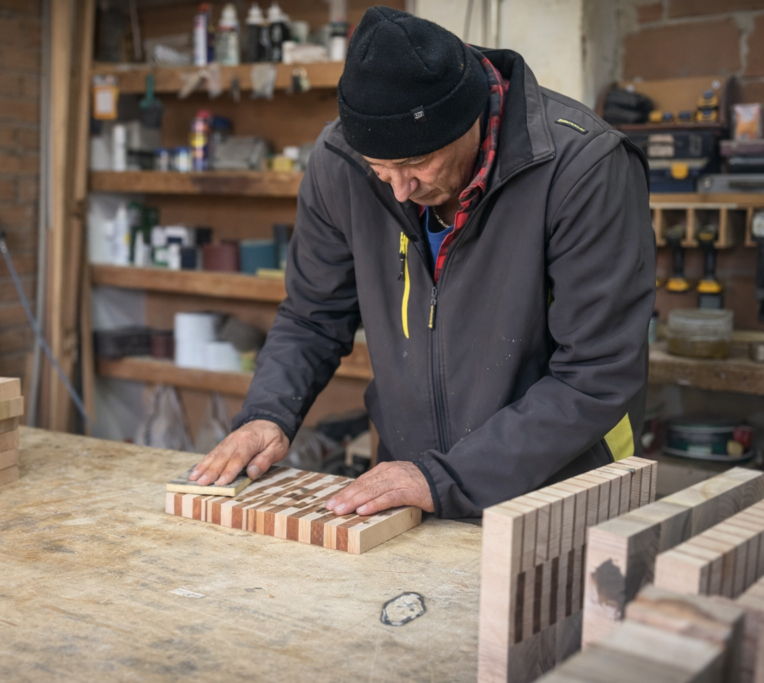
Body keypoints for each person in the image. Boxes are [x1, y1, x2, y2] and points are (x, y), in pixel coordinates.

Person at [190, 7, 655, 519]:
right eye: (380, 168)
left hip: (556, 493)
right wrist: (268, 413)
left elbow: (596, 373)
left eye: (416, 164)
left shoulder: (583, 169)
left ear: (469, 117)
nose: (400, 189)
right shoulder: (339, 162)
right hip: (412, 488)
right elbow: (311, 316)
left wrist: (447, 477)